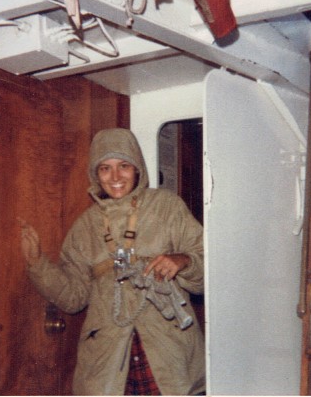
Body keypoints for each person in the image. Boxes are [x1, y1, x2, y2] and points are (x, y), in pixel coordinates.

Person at [20, 128, 205, 395]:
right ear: (95, 175)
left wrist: (184, 260)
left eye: (124, 166)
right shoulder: (85, 226)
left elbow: (206, 271)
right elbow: (74, 297)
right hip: (107, 360)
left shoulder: (167, 207)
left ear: (137, 169)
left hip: (171, 353)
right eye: (105, 168)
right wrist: (37, 263)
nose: (115, 177)